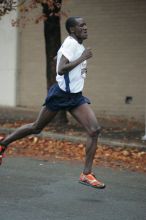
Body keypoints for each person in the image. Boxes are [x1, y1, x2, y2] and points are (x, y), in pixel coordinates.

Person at [0, 16, 105, 189]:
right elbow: (62, 68)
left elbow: (60, 60)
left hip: (75, 97)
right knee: (36, 127)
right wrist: (82, 57)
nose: (85, 27)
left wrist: (60, 56)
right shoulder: (71, 43)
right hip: (61, 95)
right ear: (72, 30)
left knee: (94, 130)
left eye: (86, 24)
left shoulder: (76, 45)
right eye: (81, 25)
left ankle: (86, 174)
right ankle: (3, 144)